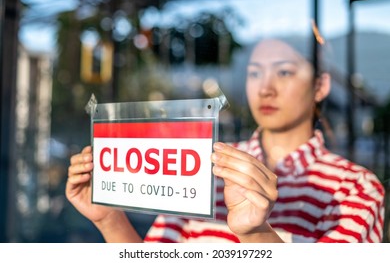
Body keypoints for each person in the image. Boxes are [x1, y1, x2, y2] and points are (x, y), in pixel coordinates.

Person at [66, 36, 385, 243]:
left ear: (320, 86)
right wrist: (109, 219)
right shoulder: (203, 165)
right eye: (255, 73)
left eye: (285, 72)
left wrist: (257, 234)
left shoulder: (356, 188)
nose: (265, 88)